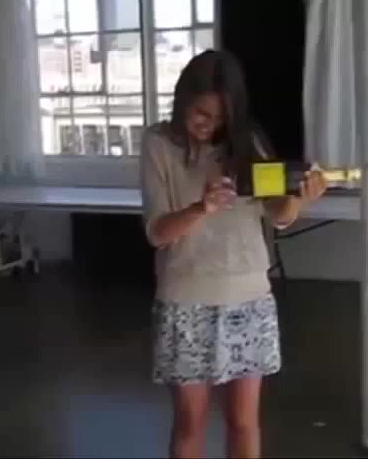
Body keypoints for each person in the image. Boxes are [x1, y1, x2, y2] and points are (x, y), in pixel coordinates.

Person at [139, 49, 327, 459]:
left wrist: (299, 198)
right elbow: (157, 233)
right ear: (183, 99)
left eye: (221, 118)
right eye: (201, 114)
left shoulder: (248, 142)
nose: (210, 126)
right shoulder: (158, 143)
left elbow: (278, 214)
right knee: (190, 423)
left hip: (249, 300)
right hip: (186, 302)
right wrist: (201, 208)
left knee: (244, 422)